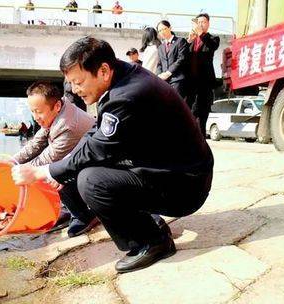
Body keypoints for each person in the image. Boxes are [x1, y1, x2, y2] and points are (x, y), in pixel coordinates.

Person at [11, 37, 213, 274]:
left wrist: (42, 171)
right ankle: (151, 224)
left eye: (78, 83)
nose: (74, 91)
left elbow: (96, 148)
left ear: (103, 71)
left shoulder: (127, 95)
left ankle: (152, 242)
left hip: (186, 185)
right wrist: (60, 169)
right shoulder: (123, 80)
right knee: (75, 170)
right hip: (171, 170)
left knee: (91, 181)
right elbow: (94, 136)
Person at [13, 81, 95, 234]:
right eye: (32, 112)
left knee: (54, 175)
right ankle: (66, 209)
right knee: (49, 172)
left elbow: (47, 158)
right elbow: (36, 144)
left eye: (38, 111)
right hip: (81, 159)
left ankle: (83, 215)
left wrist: (20, 172)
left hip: (97, 165)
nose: (35, 117)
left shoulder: (67, 125)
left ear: (56, 106)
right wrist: (11, 162)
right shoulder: (57, 111)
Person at [186, 13, 220, 136]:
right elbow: (183, 56)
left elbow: (212, 46)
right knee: (190, 112)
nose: (200, 24)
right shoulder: (192, 40)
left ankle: (201, 140)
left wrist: (200, 34)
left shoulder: (213, 39)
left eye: (203, 22)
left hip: (204, 82)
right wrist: (189, 40)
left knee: (202, 113)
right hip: (191, 83)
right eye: (198, 22)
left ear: (208, 24)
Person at [156, 20, 189, 98]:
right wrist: (159, 75)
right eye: (159, 30)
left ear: (170, 28)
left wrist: (168, 72)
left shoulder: (180, 41)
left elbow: (181, 59)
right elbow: (159, 63)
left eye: (164, 29)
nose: (162, 32)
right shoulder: (160, 47)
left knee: (177, 105)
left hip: (177, 80)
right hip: (164, 82)